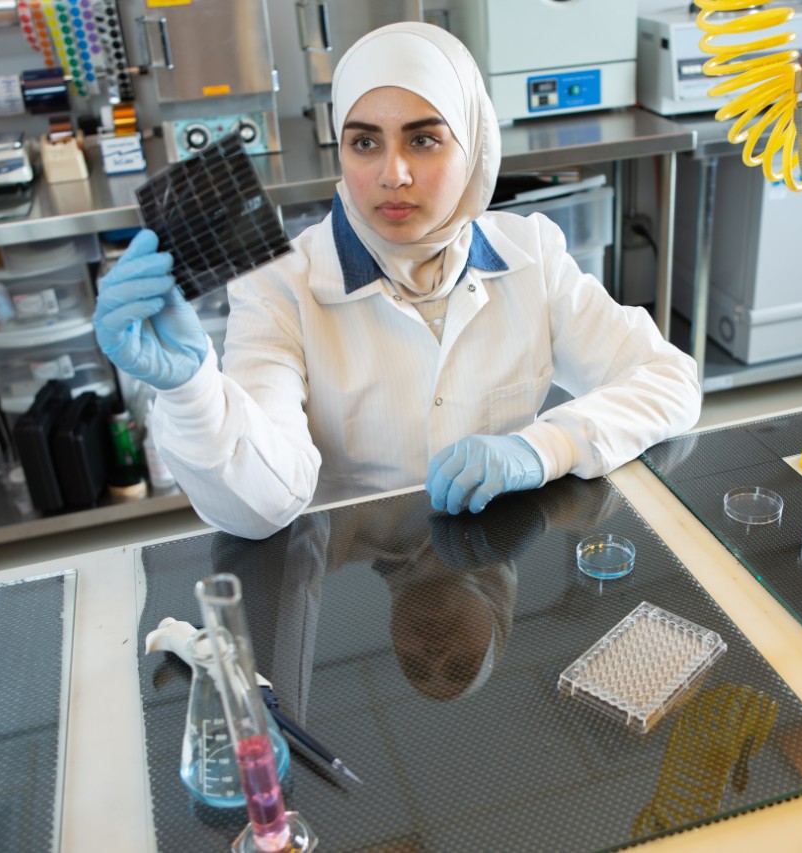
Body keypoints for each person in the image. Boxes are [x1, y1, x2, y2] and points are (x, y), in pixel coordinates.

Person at [93, 22, 701, 540]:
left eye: (425, 139)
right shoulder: (279, 286)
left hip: (498, 539)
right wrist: (193, 391)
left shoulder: (531, 253)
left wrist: (543, 448)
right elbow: (266, 507)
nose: (393, 173)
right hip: (347, 576)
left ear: (474, 148)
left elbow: (671, 382)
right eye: (364, 142)